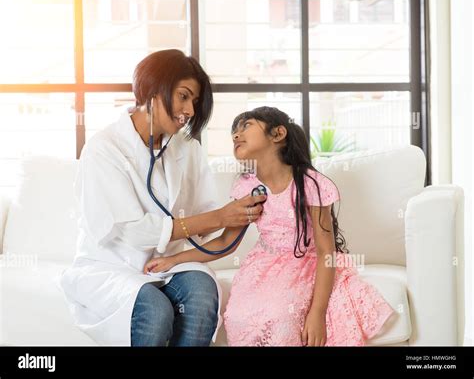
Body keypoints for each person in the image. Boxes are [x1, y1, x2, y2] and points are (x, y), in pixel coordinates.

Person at [59, 49, 266, 346]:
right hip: (112, 265)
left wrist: (238, 208)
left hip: (171, 263)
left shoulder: (187, 148)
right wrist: (218, 217)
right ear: (153, 89)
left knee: (202, 292)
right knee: (154, 310)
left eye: (194, 102)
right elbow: (133, 232)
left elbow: (205, 219)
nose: (191, 111)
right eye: (183, 96)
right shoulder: (104, 149)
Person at [146, 106, 395, 346]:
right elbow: (224, 243)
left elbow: (325, 252)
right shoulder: (247, 187)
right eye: (233, 131)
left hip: (305, 264)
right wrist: (173, 260)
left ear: (278, 134)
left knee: (281, 316)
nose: (236, 134)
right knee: (236, 317)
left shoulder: (311, 185)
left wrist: (317, 313)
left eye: (246, 126)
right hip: (263, 267)